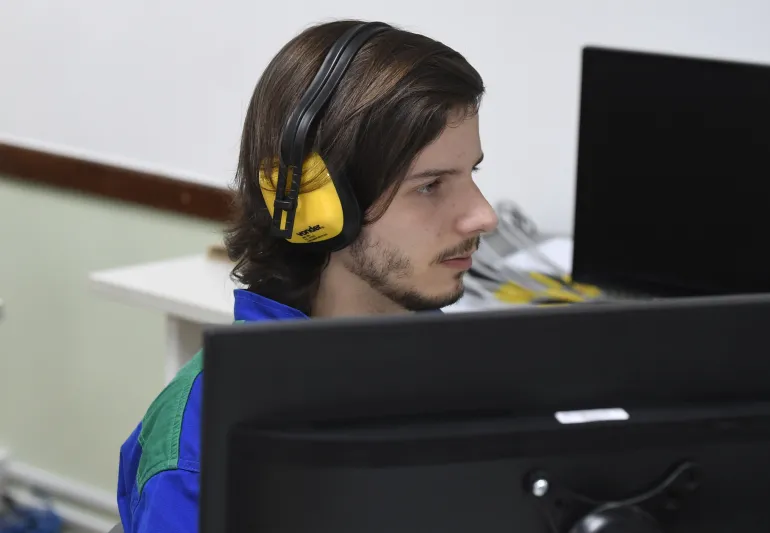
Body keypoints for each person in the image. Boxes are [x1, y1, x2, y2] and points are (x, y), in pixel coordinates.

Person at [116, 19, 498, 533]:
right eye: (430, 186)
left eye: (472, 173)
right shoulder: (209, 433)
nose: (482, 215)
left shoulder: (469, 374)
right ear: (318, 205)